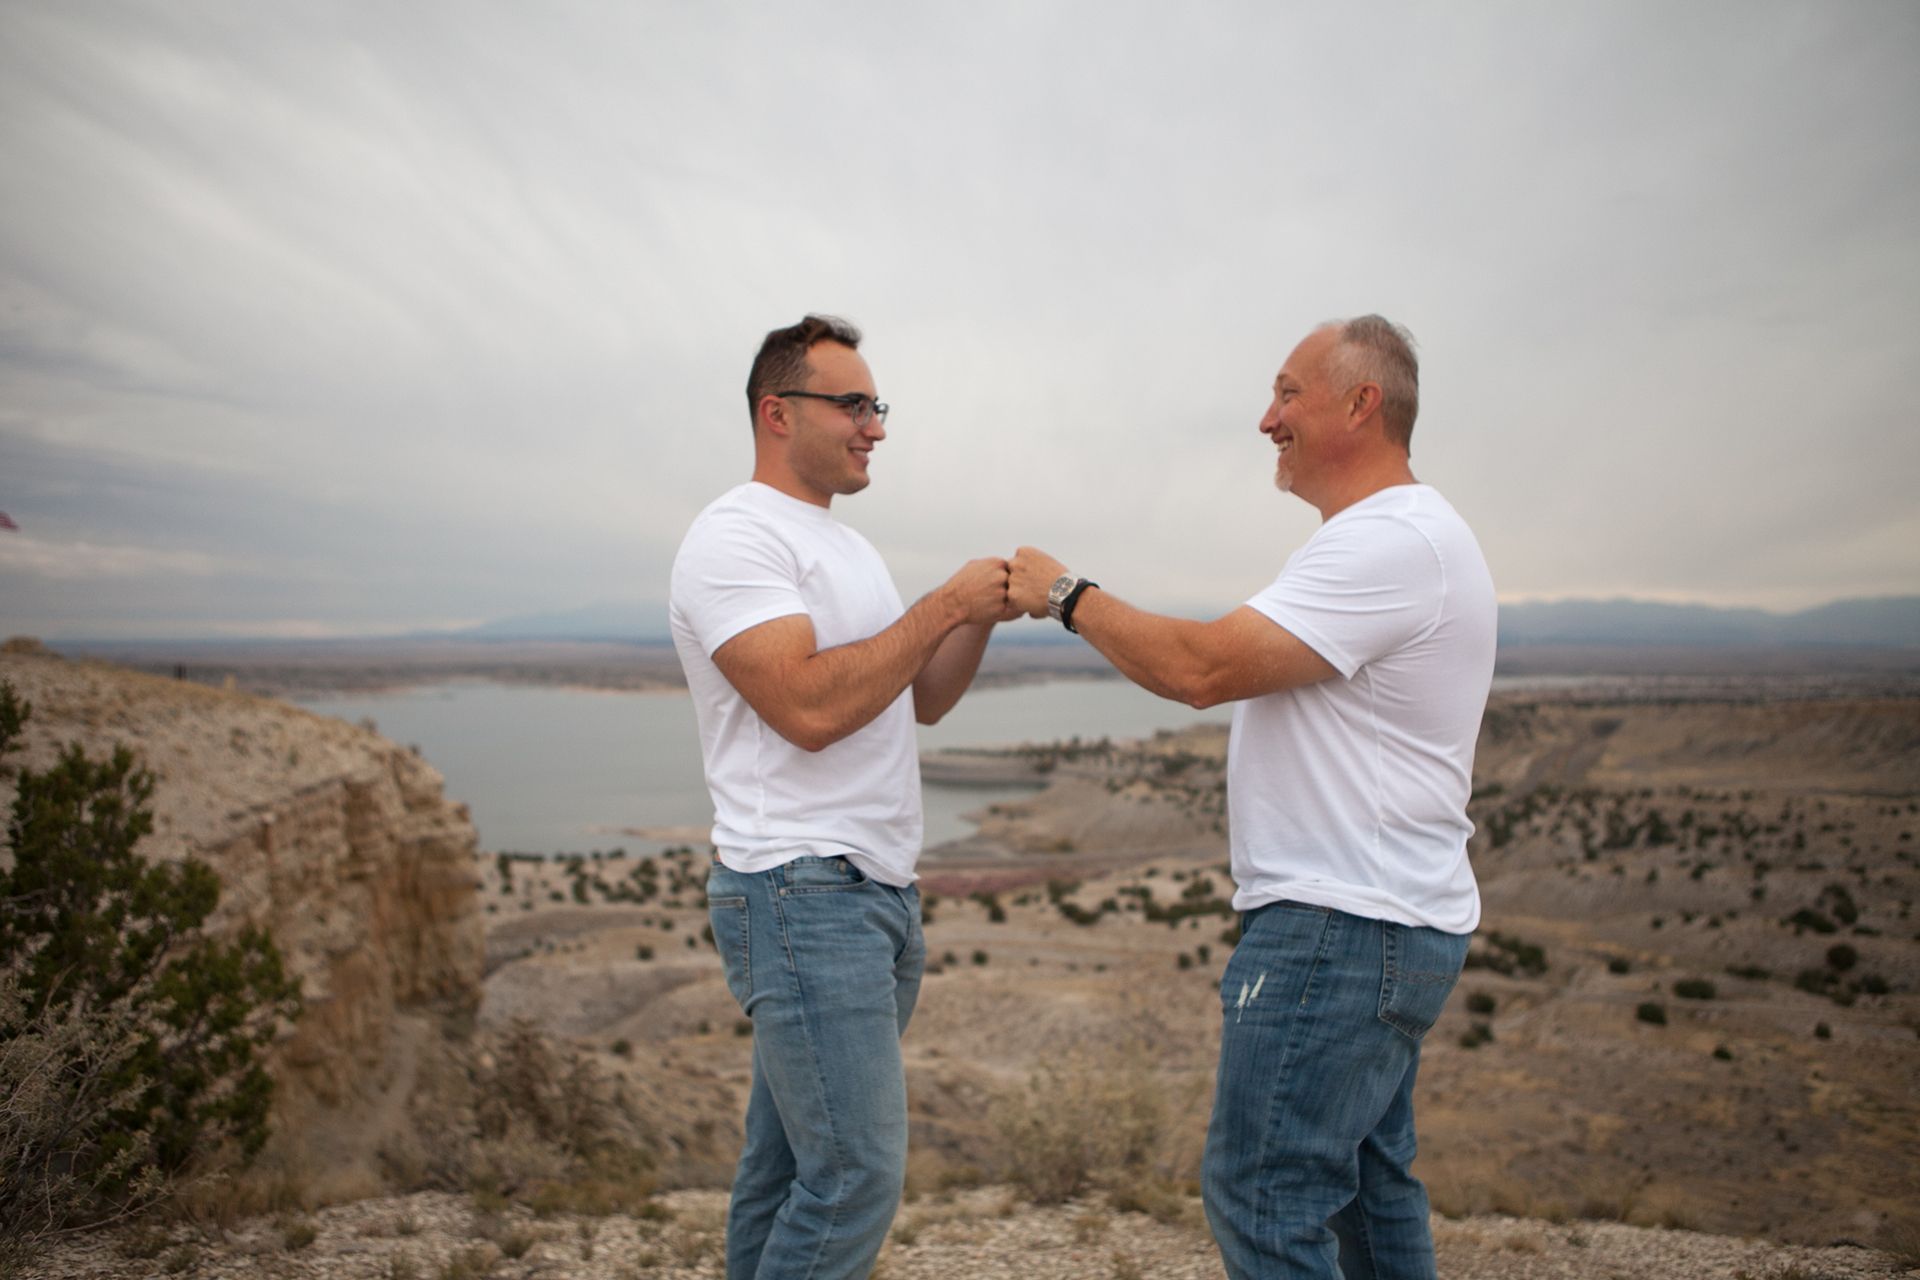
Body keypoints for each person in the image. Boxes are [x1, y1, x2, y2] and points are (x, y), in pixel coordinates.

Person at [1007, 315, 1495, 1280]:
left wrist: (1065, 594)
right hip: (1380, 921)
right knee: (1366, 1193)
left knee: (1264, 1194)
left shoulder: (1391, 542)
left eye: (1287, 393)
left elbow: (1202, 667)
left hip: (1339, 925)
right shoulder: (1401, 538)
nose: (1265, 418)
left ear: (1363, 403)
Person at [670, 314, 1012, 1280]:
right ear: (778, 412)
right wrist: (942, 603)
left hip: (870, 895)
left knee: (786, 1172)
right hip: (799, 890)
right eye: (853, 404)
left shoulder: (842, 547)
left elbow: (923, 701)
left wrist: (976, 616)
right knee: (856, 1173)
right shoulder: (733, 537)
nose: (876, 426)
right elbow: (810, 709)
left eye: (877, 406)